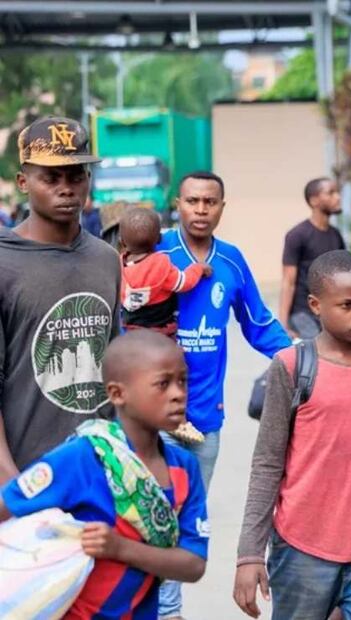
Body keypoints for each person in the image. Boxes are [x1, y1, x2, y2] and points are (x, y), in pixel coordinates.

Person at [234, 250, 351, 620]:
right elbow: (267, 463)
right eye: (347, 305)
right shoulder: (293, 366)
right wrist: (249, 554)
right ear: (315, 305)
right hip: (302, 544)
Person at [0, 330, 209, 619]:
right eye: (163, 384)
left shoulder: (184, 468)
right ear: (117, 394)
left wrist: (120, 549)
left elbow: (194, 564)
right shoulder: (82, 457)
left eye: (182, 381)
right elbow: (7, 504)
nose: (178, 394)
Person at [157, 171, 291, 618]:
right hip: (153, 420)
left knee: (181, 521)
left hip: (203, 423)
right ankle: (165, 612)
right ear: (178, 204)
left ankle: (164, 607)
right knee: (152, 518)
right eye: (192, 201)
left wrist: (304, 358)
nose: (200, 209)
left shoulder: (231, 261)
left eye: (209, 202)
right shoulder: (156, 253)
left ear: (221, 208)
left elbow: (259, 323)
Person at [0, 117, 120, 483]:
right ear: (23, 182)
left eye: (76, 176)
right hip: (28, 475)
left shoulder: (105, 258)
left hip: (100, 471)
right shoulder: (5, 263)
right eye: (51, 178)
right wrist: (10, 484)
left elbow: (112, 362)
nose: (66, 188)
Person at [120, 206, 212, 337]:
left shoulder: (119, 266)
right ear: (159, 238)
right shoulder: (161, 265)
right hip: (161, 333)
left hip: (130, 331)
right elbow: (184, 283)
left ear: (122, 242)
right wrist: (198, 268)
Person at [280, 177, 346, 339]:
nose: (337, 197)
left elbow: (344, 275)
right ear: (314, 200)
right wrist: (282, 324)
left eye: (337, 192)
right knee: (316, 352)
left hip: (328, 313)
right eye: (330, 193)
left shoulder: (336, 235)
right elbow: (288, 281)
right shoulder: (297, 235)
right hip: (302, 314)